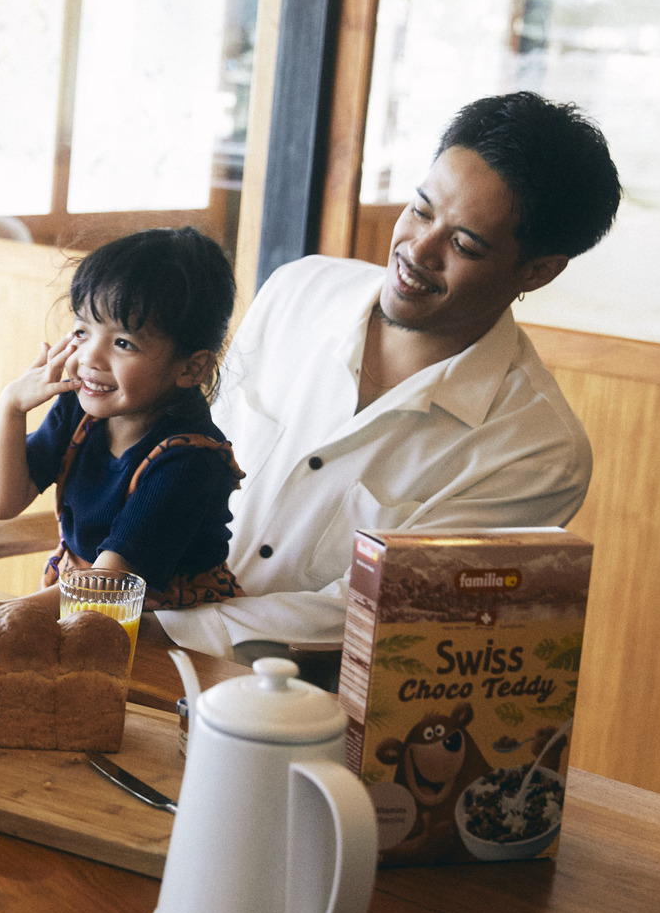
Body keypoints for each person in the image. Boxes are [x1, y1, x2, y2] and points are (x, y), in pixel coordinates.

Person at [153, 90, 621, 662]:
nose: (417, 250)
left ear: (539, 271)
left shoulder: (536, 452)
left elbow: (373, 613)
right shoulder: (298, 290)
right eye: (421, 210)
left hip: (305, 711)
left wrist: (162, 633)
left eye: (465, 244)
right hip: (134, 633)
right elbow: (175, 461)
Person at [0, 227, 241, 635]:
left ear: (190, 368)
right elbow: (4, 501)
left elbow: (112, 582)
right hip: (81, 606)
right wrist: (11, 406)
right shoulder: (81, 409)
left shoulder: (191, 460)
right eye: (82, 331)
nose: (90, 356)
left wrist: (2, 609)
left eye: (123, 343)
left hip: (170, 630)